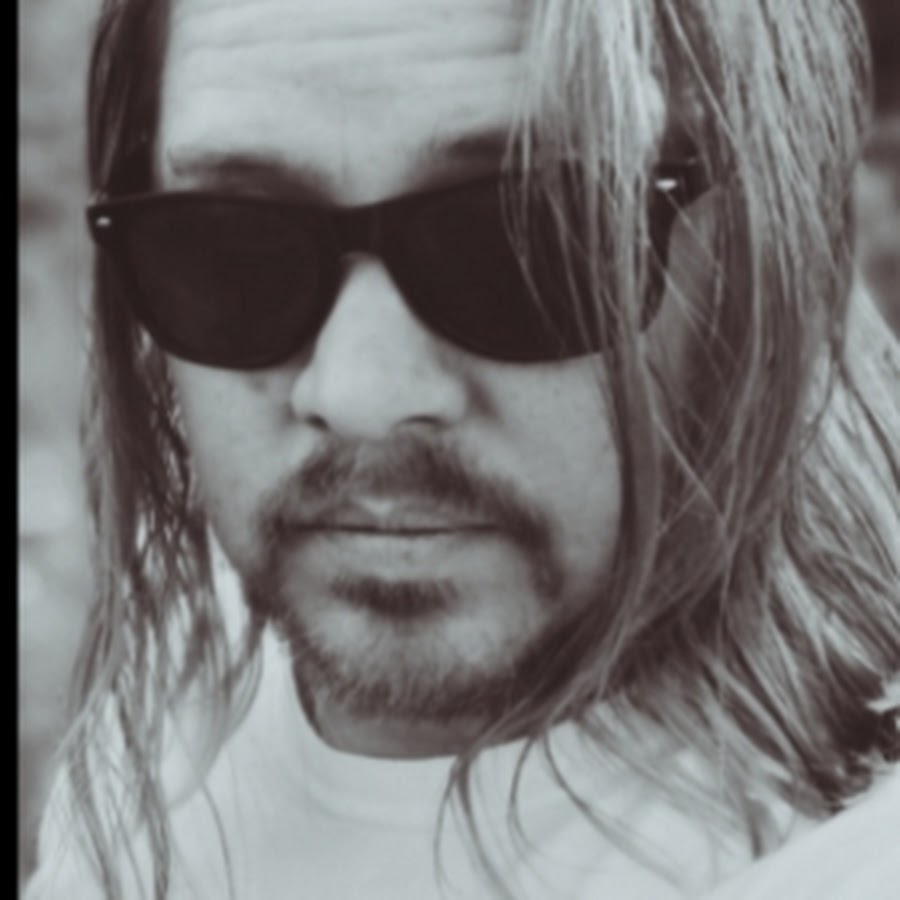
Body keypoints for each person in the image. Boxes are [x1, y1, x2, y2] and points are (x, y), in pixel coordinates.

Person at [23, 0, 900, 897]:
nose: (360, 395)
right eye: (233, 244)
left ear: (773, 252)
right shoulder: (168, 717)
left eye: (529, 241)